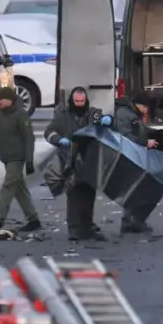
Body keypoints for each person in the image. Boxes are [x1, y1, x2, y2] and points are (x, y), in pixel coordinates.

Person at [44, 87, 112, 241]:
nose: (80, 104)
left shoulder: (93, 113)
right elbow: (49, 132)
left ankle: (87, 229)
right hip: (70, 161)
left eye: (82, 101)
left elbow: (105, 122)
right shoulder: (62, 116)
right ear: (71, 100)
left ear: (86, 100)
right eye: (77, 101)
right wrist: (58, 140)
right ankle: (74, 231)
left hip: (90, 161)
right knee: (74, 197)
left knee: (88, 196)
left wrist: (107, 121)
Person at [0, 87, 40, 232]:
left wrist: (29, 160)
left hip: (17, 159)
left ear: (10, 99)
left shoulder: (20, 115)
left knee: (8, 187)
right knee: (19, 189)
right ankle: (33, 219)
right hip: (7, 159)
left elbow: (29, 139)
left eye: (1, 99)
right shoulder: (0, 115)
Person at [114, 91, 161, 233]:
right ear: (138, 105)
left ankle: (130, 221)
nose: (146, 111)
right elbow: (126, 136)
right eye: (145, 108)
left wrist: (156, 134)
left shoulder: (132, 113)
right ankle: (132, 222)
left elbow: (140, 130)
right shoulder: (124, 114)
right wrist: (145, 142)